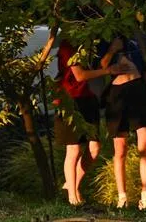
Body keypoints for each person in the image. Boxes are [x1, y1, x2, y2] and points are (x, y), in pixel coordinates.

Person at [54, 34, 128, 206]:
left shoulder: (91, 45)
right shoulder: (68, 46)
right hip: (69, 99)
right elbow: (79, 75)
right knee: (73, 149)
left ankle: (72, 185)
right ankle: (73, 197)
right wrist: (109, 71)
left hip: (88, 98)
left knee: (94, 148)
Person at [101, 34, 146, 210]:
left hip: (137, 90)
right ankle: (122, 197)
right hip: (117, 94)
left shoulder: (138, 41)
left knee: (144, 146)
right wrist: (113, 49)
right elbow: (103, 65)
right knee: (120, 149)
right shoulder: (105, 39)